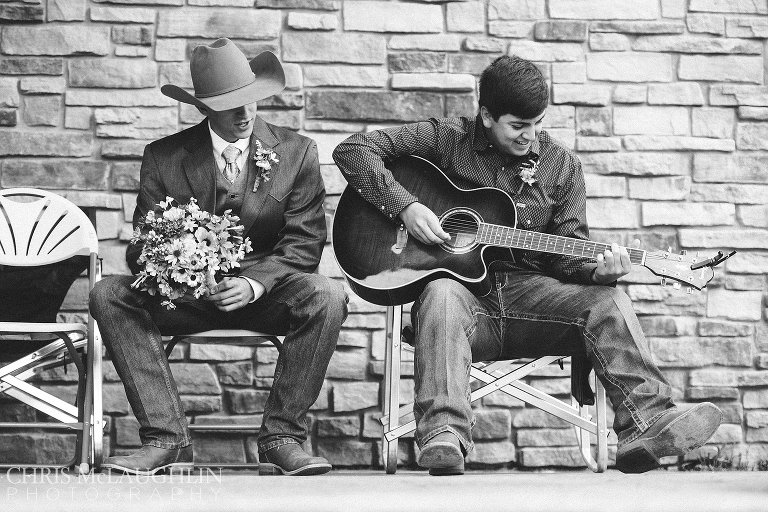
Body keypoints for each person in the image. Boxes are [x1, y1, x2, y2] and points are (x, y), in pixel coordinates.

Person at [332, 55, 721, 475]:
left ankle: (647, 425)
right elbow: (353, 149)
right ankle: (443, 435)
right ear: (485, 115)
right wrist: (405, 206)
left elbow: (569, 252)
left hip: (533, 300)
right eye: (518, 125)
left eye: (537, 123)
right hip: (464, 306)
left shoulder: (562, 166)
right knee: (441, 293)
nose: (530, 136)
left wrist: (596, 271)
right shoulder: (446, 139)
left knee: (607, 300)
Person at [90, 38, 347, 476]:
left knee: (327, 295)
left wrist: (253, 283)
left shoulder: (297, 152)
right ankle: (166, 438)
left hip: (266, 296)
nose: (246, 114)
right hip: (187, 298)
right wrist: (185, 274)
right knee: (108, 293)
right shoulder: (164, 157)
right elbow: (142, 247)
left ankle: (282, 437)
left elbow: (305, 243)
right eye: (231, 106)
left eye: (250, 101)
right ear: (204, 107)